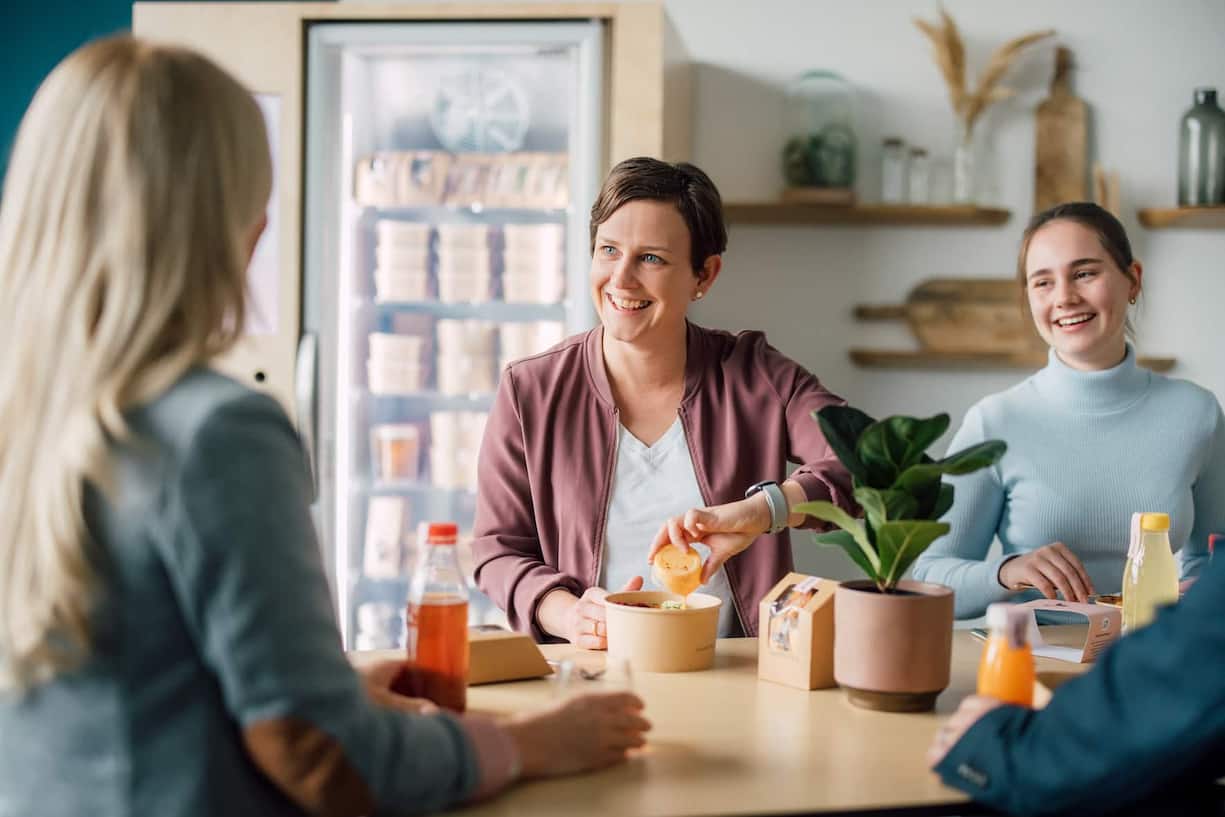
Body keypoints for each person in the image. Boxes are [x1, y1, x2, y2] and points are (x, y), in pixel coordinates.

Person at [0, 36, 647, 817]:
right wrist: (537, 742)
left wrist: (331, 689)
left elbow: (131, 684)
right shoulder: (217, 431)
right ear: (220, 221)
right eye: (255, 194)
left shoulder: (31, 413)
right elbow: (318, 752)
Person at [472, 156, 855, 648]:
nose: (622, 279)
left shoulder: (757, 375)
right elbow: (496, 550)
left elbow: (870, 460)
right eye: (609, 251)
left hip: (733, 675)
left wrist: (763, 511)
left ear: (705, 275)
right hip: (590, 674)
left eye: (651, 258)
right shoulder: (530, 391)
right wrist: (568, 614)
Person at [910, 202, 1225, 619]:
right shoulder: (995, 421)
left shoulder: (1197, 413)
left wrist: (1200, 593)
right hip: (1031, 664)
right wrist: (1007, 571)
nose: (1064, 297)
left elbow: (1214, 560)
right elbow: (930, 577)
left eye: (1084, 273)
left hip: (1156, 660)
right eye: (1043, 282)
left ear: (1132, 280)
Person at [928, 557, 1225, 816]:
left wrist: (999, 747)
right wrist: (1004, 569)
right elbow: (928, 573)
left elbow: (1187, 671)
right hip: (1043, 658)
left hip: (1101, 689)